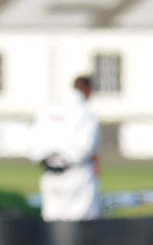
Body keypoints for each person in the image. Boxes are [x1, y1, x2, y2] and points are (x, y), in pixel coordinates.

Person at [28, 74, 101, 222]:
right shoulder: (85, 113)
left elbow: (33, 142)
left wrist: (47, 159)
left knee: (52, 221)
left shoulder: (48, 109)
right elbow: (86, 146)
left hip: (49, 174)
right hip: (77, 174)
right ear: (87, 89)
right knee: (81, 221)